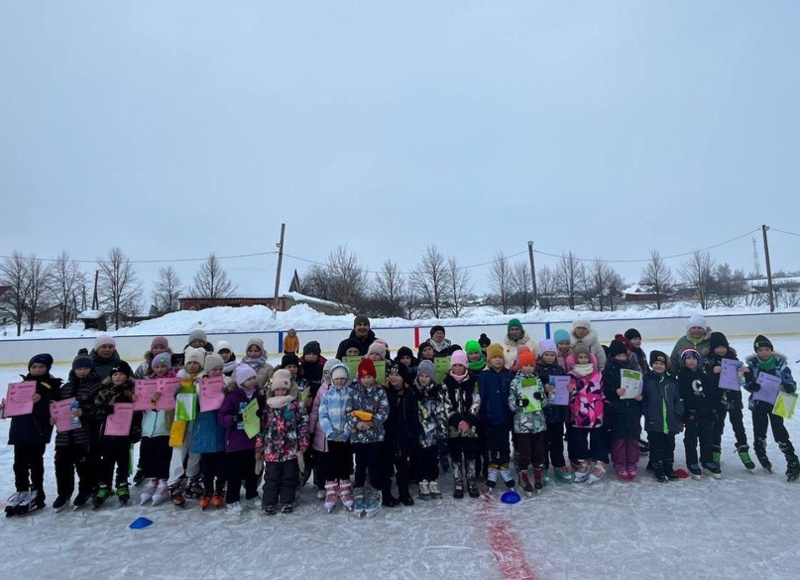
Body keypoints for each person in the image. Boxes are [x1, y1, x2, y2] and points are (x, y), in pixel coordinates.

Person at [3, 353, 61, 516]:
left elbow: (52, 410)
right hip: (20, 430)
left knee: (35, 463)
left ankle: (37, 492)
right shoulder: (22, 385)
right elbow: (14, 409)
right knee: (19, 463)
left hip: (37, 430)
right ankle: (22, 490)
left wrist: (40, 401)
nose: (37, 370)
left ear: (47, 368)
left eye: (41, 367)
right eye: (34, 366)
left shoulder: (52, 386)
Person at [744, 335, 800, 481]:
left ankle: (792, 460)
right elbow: (746, 382)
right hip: (759, 403)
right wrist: (751, 386)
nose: (764, 352)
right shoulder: (751, 367)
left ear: (771, 350)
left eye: (767, 349)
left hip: (778, 403)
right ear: (756, 352)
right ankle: (760, 451)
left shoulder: (780, 366)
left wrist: (790, 386)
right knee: (759, 430)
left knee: (779, 432)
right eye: (760, 350)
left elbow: (790, 381)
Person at [52, 350, 101, 511]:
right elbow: (56, 407)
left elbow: (100, 410)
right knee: (62, 464)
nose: (82, 371)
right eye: (78, 368)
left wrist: (84, 412)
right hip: (64, 435)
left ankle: (85, 489)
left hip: (84, 433)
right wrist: (53, 417)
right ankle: (64, 492)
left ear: (91, 369)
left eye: (85, 368)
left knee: (84, 465)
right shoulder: (65, 388)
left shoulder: (96, 387)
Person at [256, 369, 309, 515]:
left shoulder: (295, 404)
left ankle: (287, 501)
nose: (280, 392)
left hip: (290, 449)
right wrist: (259, 447)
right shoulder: (268, 406)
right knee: (271, 477)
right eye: (277, 389)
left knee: (289, 477)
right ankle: (269, 502)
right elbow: (262, 428)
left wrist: (303, 442)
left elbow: (303, 424)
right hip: (272, 450)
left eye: (283, 389)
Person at [92, 361, 141, 508]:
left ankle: (122, 484)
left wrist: (135, 405)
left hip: (125, 434)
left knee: (123, 460)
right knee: (107, 461)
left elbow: (139, 411)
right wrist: (105, 409)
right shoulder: (105, 391)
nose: (118, 377)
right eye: (115, 374)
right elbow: (96, 411)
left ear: (127, 376)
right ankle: (104, 486)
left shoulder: (133, 392)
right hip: (108, 433)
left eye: (121, 374)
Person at [345, 359, 389, 517]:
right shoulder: (354, 391)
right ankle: (359, 491)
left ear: (374, 376)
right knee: (360, 466)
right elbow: (348, 412)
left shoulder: (380, 391)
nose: (366, 380)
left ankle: (377, 491)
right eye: (363, 377)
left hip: (375, 437)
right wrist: (358, 425)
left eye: (369, 376)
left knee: (374, 465)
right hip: (358, 438)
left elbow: (384, 412)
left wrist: (372, 423)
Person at [703, 332, 754, 469]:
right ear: (713, 348)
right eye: (718, 347)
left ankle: (743, 450)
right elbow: (706, 382)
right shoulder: (708, 361)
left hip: (734, 399)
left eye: (723, 346)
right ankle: (715, 454)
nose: (721, 349)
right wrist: (713, 372)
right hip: (717, 400)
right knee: (717, 427)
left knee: (739, 426)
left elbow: (744, 379)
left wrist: (746, 372)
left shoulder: (734, 360)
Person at [218, 365, 263, 513]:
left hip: (251, 440)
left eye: (254, 378)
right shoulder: (232, 396)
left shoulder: (257, 395)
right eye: (249, 379)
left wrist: (261, 417)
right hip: (236, 442)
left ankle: (251, 494)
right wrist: (234, 418)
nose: (252, 381)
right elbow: (222, 418)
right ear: (241, 381)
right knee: (234, 474)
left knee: (251, 472)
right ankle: (232, 499)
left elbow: (262, 414)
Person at [167, 347, 205, 507]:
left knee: (195, 452)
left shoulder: (204, 380)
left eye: (196, 363)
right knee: (178, 453)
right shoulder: (178, 380)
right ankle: (173, 484)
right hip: (181, 423)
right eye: (189, 363)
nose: (192, 366)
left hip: (198, 422)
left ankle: (192, 480)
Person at [191, 353, 228, 509]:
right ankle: (207, 491)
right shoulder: (198, 387)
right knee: (207, 468)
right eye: (214, 369)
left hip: (220, 431)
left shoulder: (227, 384)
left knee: (221, 466)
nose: (218, 372)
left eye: (220, 369)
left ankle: (219, 491)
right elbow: (189, 406)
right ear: (207, 371)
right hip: (205, 431)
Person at [602, 338, 643, 481]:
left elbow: (640, 387)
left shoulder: (632, 369)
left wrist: (639, 396)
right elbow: (605, 391)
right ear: (612, 357)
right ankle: (619, 463)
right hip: (617, 410)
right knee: (619, 439)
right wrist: (615, 392)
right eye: (618, 356)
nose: (621, 358)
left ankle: (631, 463)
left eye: (623, 355)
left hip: (631, 409)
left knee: (632, 438)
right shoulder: (607, 372)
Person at [567, 344, 608, 483]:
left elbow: (602, 393)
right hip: (580, 414)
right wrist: (571, 397)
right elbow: (571, 396)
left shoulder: (597, 374)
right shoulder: (571, 376)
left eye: (585, 357)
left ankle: (600, 462)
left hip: (597, 413)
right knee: (580, 440)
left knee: (598, 439)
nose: (583, 359)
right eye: (580, 357)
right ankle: (584, 461)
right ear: (575, 359)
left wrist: (606, 407)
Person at [508, 349, 547, 494]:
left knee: (538, 450)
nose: (529, 368)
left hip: (537, 422)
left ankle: (537, 471)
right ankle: (523, 472)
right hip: (523, 423)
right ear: (520, 366)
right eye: (525, 365)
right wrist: (519, 403)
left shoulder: (537, 380)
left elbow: (544, 401)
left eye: (531, 365)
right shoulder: (515, 382)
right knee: (524, 451)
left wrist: (540, 397)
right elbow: (511, 402)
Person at [138, 353, 174, 506]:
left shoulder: (173, 383)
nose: (160, 369)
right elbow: (141, 406)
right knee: (148, 454)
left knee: (163, 455)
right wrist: (137, 399)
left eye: (163, 366)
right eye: (157, 366)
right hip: (147, 428)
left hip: (164, 427)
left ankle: (163, 483)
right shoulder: (146, 384)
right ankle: (151, 480)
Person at [677, 348, 720, 479]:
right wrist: (687, 411)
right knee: (691, 439)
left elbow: (709, 393)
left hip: (704, 412)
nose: (691, 361)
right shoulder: (682, 375)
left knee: (707, 437)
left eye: (694, 358)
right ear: (684, 361)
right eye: (688, 358)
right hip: (691, 413)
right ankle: (692, 462)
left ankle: (707, 461)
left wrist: (712, 409)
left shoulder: (703, 375)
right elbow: (683, 395)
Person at [642, 351, 684, 483]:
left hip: (670, 420)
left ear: (666, 366)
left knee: (669, 444)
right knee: (656, 444)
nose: (659, 366)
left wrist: (678, 413)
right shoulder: (647, 380)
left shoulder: (672, 381)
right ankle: (657, 467)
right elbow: (643, 399)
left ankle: (668, 466)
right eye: (656, 363)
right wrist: (647, 412)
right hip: (654, 420)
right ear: (651, 364)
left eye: (661, 364)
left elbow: (679, 399)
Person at [318, 363, 355, 512]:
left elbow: (353, 414)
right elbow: (323, 414)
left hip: (345, 436)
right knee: (331, 462)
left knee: (345, 461)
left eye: (342, 379)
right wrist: (329, 431)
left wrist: (347, 431)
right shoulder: (327, 395)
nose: (340, 381)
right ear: (332, 379)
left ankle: (345, 488)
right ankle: (331, 490)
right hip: (332, 436)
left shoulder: (351, 394)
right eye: (337, 378)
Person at [382, 362, 419, 507]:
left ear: (403, 377)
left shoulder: (410, 393)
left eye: (397, 375)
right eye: (391, 374)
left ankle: (404, 492)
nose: (393, 377)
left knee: (403, 467)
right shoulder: (383, 391)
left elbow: (414, 418)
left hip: (403, 436)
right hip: (387, 436)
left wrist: (414, 437)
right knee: (386, 467)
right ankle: (386, 494)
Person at [478, 344, 515, 492]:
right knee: (491, 445)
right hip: (490, 418)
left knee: (504, 444)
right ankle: (492, 469)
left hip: (505, 418)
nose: (498, 360)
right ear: (489, 360)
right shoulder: (484, 376)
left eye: (500, 357)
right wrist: (483, 416)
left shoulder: (508, 375)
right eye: (494, 358)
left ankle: (504, 467)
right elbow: (481, 397)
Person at [445, 351, 481, 498]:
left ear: (465, 365)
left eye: (460, 365)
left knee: (470, 453)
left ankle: (471, 481)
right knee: (455, 454)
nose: (458, 368)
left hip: (470, 426)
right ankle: (458, 481)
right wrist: (457, 421)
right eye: (455, 365)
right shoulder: (446, 382)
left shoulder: (473, 381)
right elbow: (446, 404)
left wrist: (468, 420)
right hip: (454, 427)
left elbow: (476, 401)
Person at [537, 339, 571, 483]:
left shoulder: (560, 370)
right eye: (547, 355)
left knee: (557, 441)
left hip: (557, 412)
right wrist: (543, 388)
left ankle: (559, 465)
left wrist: (569, 388)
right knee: (543, 441)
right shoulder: (536, 371)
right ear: (541, 355)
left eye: (552, 355)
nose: (550, 357)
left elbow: (565, 388)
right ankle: (543, 466)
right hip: (542, 413)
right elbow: (532, 391)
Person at [413, 359, 448, 501]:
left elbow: (441, 414)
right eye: (421, 375)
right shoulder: (413, 391)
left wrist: (442, 432)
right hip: (419, 434)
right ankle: (422, 481)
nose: (423, 379)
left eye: (427, 376)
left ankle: (433, 481)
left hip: (432, 434)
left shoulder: (437, 393)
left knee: (432, 459)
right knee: (419, 460)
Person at [309, 358, 340, 501]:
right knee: (321, 462)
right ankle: (322, 486)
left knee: (335, 460)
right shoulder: (321, 389)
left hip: (336, 434)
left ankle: (336, 483)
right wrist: (311, 428)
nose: (328, 375)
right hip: (321, 435)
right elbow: (315, 410)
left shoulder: (341, 389)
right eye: (325, 372)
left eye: (331, 372)